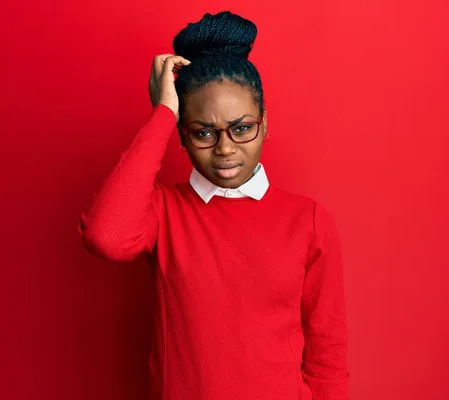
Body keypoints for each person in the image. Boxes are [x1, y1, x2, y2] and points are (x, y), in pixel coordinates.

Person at [78, 11, 349, 400]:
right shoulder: (164, 211)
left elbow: (328, 357)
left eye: (241, 128)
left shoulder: (308, 221)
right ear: (183, 138)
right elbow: (106, 237)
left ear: (264, 122)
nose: (225, 149)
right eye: (203, 132)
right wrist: (161, 115)